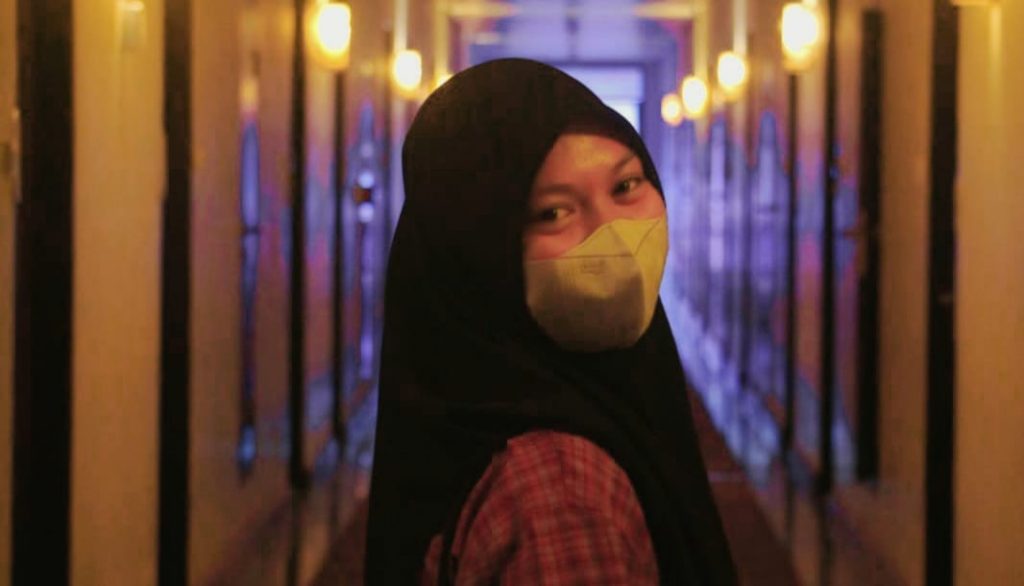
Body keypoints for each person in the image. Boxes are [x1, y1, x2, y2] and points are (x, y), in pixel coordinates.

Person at [365, 58, 737, 585]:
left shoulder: (488, 420)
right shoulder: (560, 494)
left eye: (627, 185)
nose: (613, 235)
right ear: (480, 258)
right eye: (553, 212)